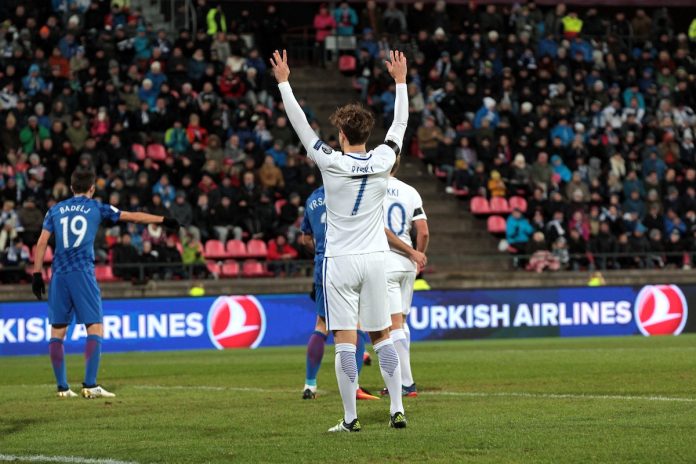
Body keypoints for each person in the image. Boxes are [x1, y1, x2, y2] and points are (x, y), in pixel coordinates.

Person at [270, 49, 425, 432]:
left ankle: (351, 418)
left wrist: (284, 83)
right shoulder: (384, 159)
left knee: (343, 339)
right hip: (376, 258)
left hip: (339, 261)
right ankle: (396, 409)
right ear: (367, 135)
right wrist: (401, 82)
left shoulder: (330, 161)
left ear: (341, 136)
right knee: (383, 337)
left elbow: (300, 125)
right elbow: (400, 123)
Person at [31, 169, 180, 399]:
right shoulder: (97, 207)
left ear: (71, 188)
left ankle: (63, 388)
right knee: (95, 327)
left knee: (57, 331)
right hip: (82, 273)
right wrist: (163, 220)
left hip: (58, 274)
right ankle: (90, 385)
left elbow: (41, 243)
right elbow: (132, 216)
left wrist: (36, 274)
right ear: (92, 188)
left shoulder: (55, 209)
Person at [299, 186, 378, 401]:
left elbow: (305, 239)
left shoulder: (313, 198)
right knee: (355, 324)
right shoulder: (349, 191)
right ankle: (354, 386)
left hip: (322, 266)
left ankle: (309, 385)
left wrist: (320, 250)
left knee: (321, 324)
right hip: (348, 263)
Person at [380, 157, 429, 398]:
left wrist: (411, 252)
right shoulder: (410, 191)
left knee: (392, 325)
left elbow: (380, 229)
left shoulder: (373, 189)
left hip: (386, 261)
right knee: (402, 322)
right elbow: (424, 231)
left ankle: (405, 383)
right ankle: (403, 381)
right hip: (408, 265)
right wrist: (417, 255)